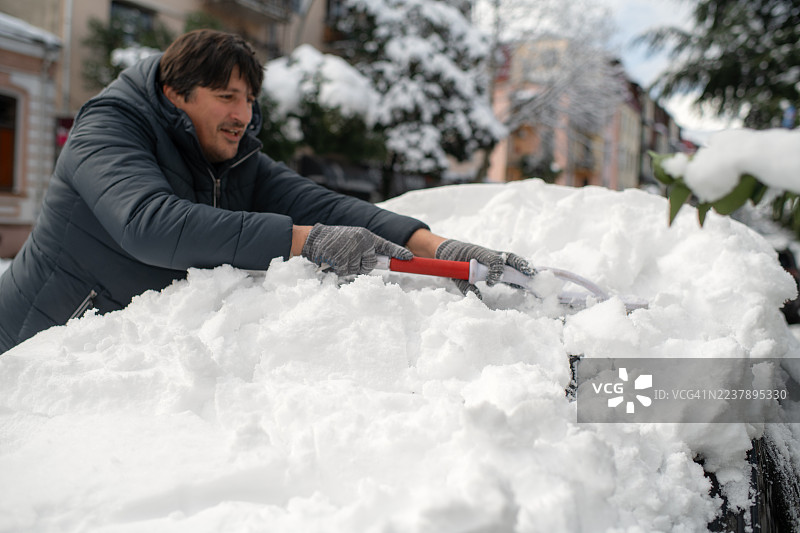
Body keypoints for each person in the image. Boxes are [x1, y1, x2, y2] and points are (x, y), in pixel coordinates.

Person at [0, 30, 532, 354]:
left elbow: (323, 206)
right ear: (173, 93)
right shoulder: (109, 129)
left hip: (115, 357)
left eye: (250, 99)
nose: (242, 116)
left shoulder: (232, 156)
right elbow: (149, 224)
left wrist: (435, 247)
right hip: (32, 350)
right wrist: (309, 242)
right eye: (226, 97)